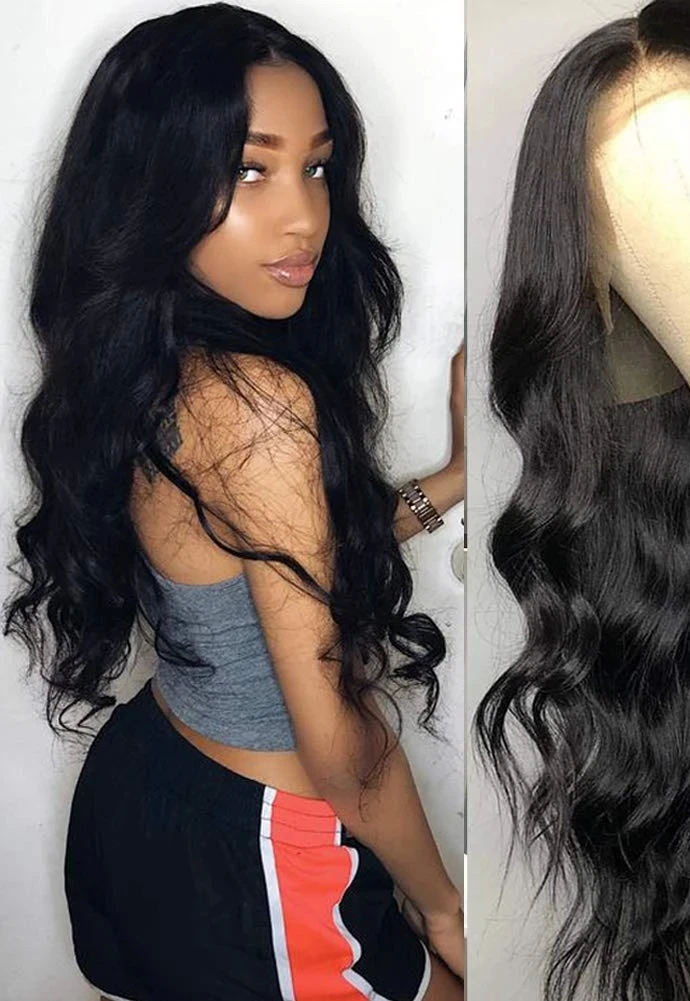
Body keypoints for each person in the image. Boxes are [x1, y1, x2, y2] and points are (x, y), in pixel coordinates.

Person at [3, 4, 464, 1000]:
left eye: (317, 167)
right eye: (250, 170)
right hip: (263, 847)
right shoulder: (255, 402)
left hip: (151, 780)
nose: (302, 216)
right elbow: (338, 744)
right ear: (155, 182)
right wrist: (440, 906)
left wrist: (453, 479)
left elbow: (278, 546)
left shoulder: (156, 361)